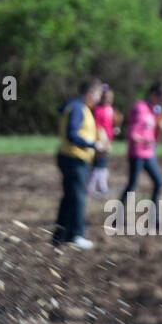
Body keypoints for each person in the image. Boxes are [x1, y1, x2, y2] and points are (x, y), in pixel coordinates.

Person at [52, 78, 107, 250]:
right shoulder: (77, 108)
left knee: (69, 197)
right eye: (98, 94)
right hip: (74, 158)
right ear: (90, 92)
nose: (99, 98)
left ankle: (58, 236)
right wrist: (93, 145)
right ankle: (76, 235)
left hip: (73, 158)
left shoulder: (81, 107)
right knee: (78, 197)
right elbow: (72, 134)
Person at [119, 82, 162, 209]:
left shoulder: (153, 110)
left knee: (159, 182)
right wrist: (145, 140)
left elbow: (157, 139)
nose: (161, 103)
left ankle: (154, 216)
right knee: (132, 185)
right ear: (153, 95)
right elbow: (132, 134)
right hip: (137, 153)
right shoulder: (139, 108)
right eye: (160, 99)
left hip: (149, 153)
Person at [88, 84, 116, 196]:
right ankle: (91, 187)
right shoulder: (97, 109)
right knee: (98, 164)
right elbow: (96, 126)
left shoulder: (110, 109)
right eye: (107, 97)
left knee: (103, 164)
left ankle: (102, 186)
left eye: (111, 97)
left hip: (108, 140)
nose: (109, 99)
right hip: (100, 141)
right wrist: (101, 140)